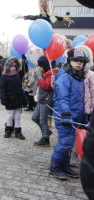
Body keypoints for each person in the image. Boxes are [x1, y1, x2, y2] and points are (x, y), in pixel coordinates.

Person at [50, 48, 89, 180]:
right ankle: (55, 167)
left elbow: (80, 98)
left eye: (82, 61)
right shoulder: (65, 76)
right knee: (65, 142)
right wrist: (65, 114)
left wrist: (83, 115)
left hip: (75, 116)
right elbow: (62, 97)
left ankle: (65, 166)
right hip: (64, 115)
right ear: (70, 61)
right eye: (76, 60)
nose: (79, 63)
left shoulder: (78, 77)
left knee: (69, 143)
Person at [32, 56, 58, 147]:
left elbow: (47, 86)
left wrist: (39, 77)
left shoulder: (52, 73)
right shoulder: (46, 72)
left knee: (43, 120)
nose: (39, 68)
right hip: (42, 99)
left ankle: (45, 139)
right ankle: (46, 131)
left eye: (40, 66)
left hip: (46, 100)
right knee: (34, 117)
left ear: (46, 65)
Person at [0, 57, 27, 140]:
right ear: (8, 67)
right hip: (10, 99)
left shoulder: (17, 75)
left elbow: (20, 88)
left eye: (15, 66)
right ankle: (8, 130)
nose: (13, 68)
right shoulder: (4, 76)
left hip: (18, 99)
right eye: (12, 66)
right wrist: (3, 98)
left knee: (18, 116)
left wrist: (24, 99)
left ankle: (18, 131)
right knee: (10, 115)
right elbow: (2, 88)